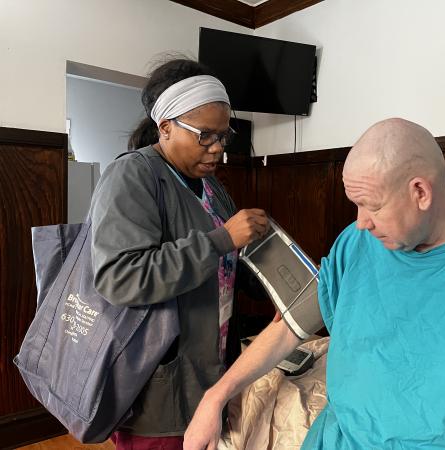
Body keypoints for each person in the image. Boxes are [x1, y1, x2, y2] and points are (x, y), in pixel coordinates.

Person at [184, 118, 445, 450]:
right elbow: (291, 325)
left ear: (420, 191)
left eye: (371, 206)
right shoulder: (356, 244)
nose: (360, 222)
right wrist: (216, 395)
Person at [89, 58, 269, 449]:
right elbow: (120, 278)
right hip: (158, 389)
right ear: (166, 127)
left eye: (223, 136)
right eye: (205, 135)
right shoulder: (133, 176)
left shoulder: (211, 187)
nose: (218, 149)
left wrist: (276, 277)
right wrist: (222, 239)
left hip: (210, 373)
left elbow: (224, 268)